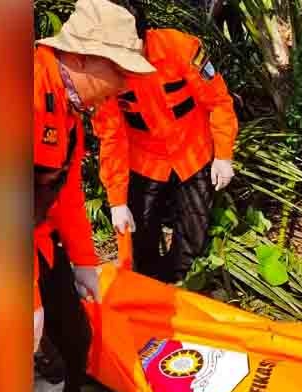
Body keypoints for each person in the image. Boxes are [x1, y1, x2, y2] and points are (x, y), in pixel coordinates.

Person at [34, 0, 156, 392]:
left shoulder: (70, 107)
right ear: (82, 58)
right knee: (36, 364)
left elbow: (60, 190)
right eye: (119, 72)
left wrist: (83, 260)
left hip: (36, 239)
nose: (125, 86)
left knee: (72, 331)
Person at [92, 0, 239, 283]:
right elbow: (111, 137)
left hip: (192, 153)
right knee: (141, 232)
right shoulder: (105, 72)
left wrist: (223, 155)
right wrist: (117, 201)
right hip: (145, 160)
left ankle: (183, 288)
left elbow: (218, 102)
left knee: (193, 231)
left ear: (142, 34)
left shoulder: (181, 49)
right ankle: (149, 290)